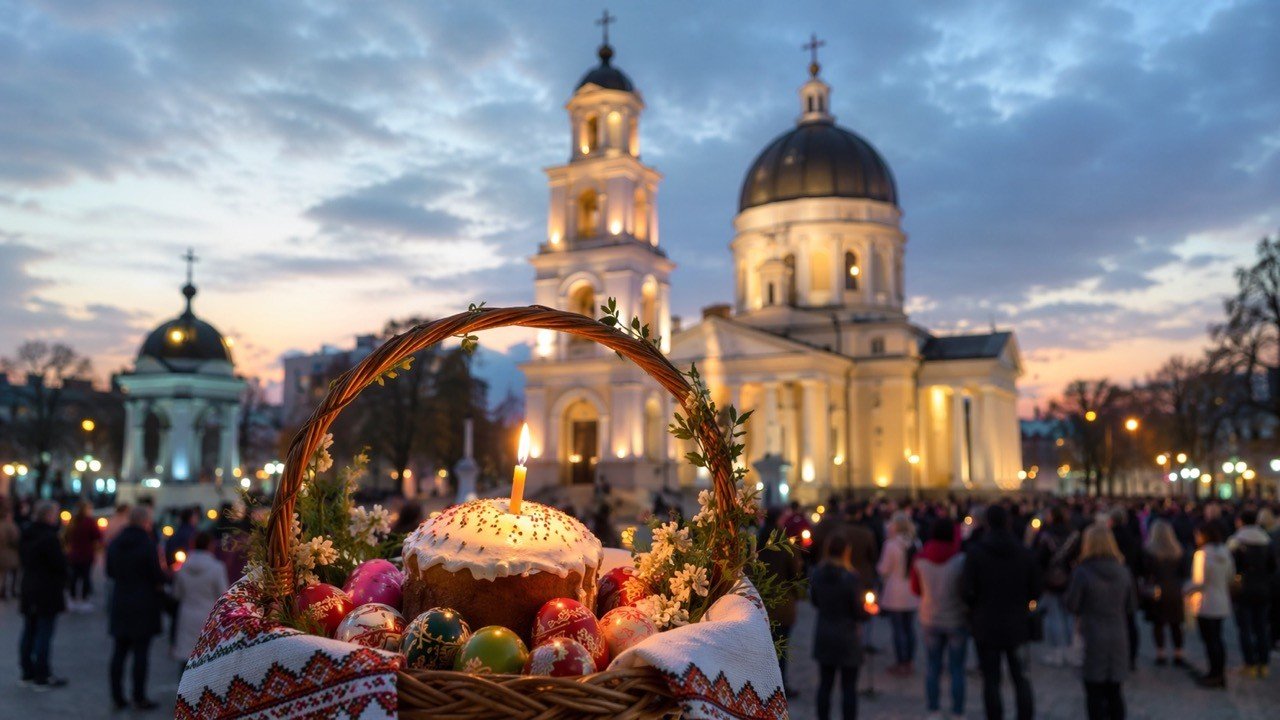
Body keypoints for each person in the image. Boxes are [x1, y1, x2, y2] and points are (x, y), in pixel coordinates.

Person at [961, 504, 1040, 720]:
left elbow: (967, 590)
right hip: (1017, 624)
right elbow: (1036, 590)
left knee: (991, 680)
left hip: (986, 623)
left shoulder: (976, 553)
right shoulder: (1024, 553)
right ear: (1008, 522)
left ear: (986, 524)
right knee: (1021, 678)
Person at [1064, 524, 1136, 720]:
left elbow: (1071, 604)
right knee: (1115, 692)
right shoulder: (1123, 571)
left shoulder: (1083, 572)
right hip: (1118, 634)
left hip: (1092, 634)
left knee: (1094, 693)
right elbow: (1131, 605)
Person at [107, 504, 167, 710]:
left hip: (121, 600)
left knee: (119, 652)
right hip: (144, 603)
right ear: (144, 522)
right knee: (141, 653)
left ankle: (117, 695)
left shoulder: (115, 543)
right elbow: (157, 575)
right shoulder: (147, 544)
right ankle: (138, 696)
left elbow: (109, 571)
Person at [810, 533, 874, 720]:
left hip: (825, 633)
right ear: (847, 552)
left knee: (825, 684)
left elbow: (814, 601)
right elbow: (858, 612)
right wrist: (868, 611)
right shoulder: (851, 578)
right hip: (847, 636)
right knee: (849, 687)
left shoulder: (817, 574)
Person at [911, 516, 967, 720]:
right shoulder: (960, 560)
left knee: (933, 667)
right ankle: (957, 712)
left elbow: (915, 589)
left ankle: (933, 710)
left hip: (930, 618)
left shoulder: (920, 560)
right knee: (957, 669)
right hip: (955, 619)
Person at [17, 501, 68, 690]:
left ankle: (27, 671)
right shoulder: (49, 538)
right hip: (46, 590)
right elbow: (59, 564)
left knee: (29, 630)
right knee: (43, 633)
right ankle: (41, 674)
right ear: (48, 516)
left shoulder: (27, 534)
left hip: (29, 587)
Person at [758, 508, 804, 698]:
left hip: (760, 605)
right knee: (780, 648)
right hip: (782, 605)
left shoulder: (757, 543)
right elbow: (796, 575)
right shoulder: (784, 544)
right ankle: (779, 686)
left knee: (765, 648)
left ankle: (764, 685)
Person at [1228, 508, 1276, 677]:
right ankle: (1264, 664)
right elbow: (1272, 567)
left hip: (1243, 590)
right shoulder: (1266, 540)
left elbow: (1231, 568)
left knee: (1245, 628)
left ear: (1240, 521)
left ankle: (1249, 664)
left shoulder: (1236, 542)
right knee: (1262, 626)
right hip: (1263, 589)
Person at [1185, 522, 1233, 689]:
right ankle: (1219, 673)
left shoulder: (1202, 555)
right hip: (1221, 600)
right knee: (1218, 639)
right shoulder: (1225, 552)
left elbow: (1199, 582)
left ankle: (1214, 674)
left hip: (1205, 602)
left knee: (1209, 640)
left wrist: (1185, 590)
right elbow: (1230, 575)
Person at [1033, 505, 1079, 666]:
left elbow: (1039, 558)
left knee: (1054, 617)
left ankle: (1057, 652)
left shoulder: (1046, 535)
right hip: (1070, 578)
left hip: (1051, 578)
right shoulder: (1074, 534)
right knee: (1069, 616)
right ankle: (1071, 650)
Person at [172, 532, 228, 662]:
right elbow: (223, 595)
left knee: (186, 657)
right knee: (205, 655)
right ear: (210, 546)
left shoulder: (183, 567)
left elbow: (177, 593)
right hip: (208, 615)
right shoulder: (217, 568)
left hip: (187, 614)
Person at [877, 511, 920, 676]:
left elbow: (883, 569)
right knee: (909, 629)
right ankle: (909, 661)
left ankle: (901, 662)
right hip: (911, 592)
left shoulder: (891, 545)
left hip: (895, 593)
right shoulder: (916, 543)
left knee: (898, 630)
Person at [1141, 518, 1187, 666]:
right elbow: (1184, 572)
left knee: (1158, 623)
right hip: (1174, 588)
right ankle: (1178, 653)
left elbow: (1145, 572)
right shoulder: (1178, 551)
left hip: (1157, 590)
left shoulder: (1149, 552)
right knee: (1176, 623)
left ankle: (1160, 653)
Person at [64, 501, 102, 612]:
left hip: (74, 554)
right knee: (85, 576)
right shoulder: (89, 522)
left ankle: (72, 598)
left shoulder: (73, 521)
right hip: (86, 553)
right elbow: (97, 536)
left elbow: (66, 536)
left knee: (74, 577)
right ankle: (84, 599)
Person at [0, 499, 20, 600]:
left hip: (3, 553)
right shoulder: (10, 526)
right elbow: (15, 540)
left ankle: (3, 590)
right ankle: (10, 590)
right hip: (10, 553)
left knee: (3, 574)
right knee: (12, 573)